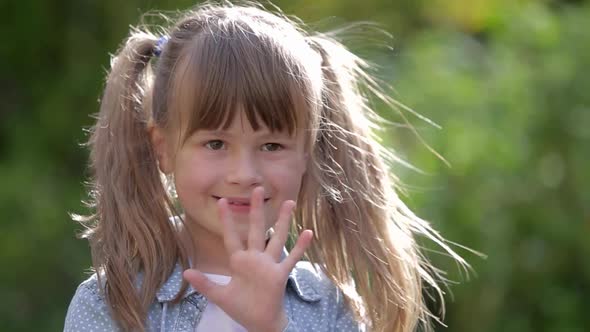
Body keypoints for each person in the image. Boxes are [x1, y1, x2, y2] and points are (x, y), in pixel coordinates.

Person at [64, 1, 468, 331]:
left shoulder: (332, 308)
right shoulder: (111, 305)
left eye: (272, 145)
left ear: (307, 154)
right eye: (216, 143)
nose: (245, 173)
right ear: (164, 149)